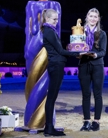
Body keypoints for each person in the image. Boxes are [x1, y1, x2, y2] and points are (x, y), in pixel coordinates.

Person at [41, 9, 81, 137]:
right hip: (56, 65)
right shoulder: (49, 31)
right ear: (47, 19)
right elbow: (60, 51)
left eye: (57, 19)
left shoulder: (49, 30)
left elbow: (60, 50)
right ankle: (49, 128)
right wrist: (77, 53)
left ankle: (49, 127)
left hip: (56, 64)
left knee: (52, 97)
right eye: (54, 19)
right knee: (52, 97)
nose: (56, 22)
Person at [78, 8, 107, 131]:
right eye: (91, 16)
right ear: (87, 17)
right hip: (84, 64)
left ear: (98, 19)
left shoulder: (102, 34)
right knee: (85, 94)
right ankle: (86, 121)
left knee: (97, 94)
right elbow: (76, 47)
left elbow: (103, 51)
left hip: (97, 66)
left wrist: (94, 55)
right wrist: (78, 53)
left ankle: (96, 121)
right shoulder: (80, 31)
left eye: (95, 16)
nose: (93, 18)